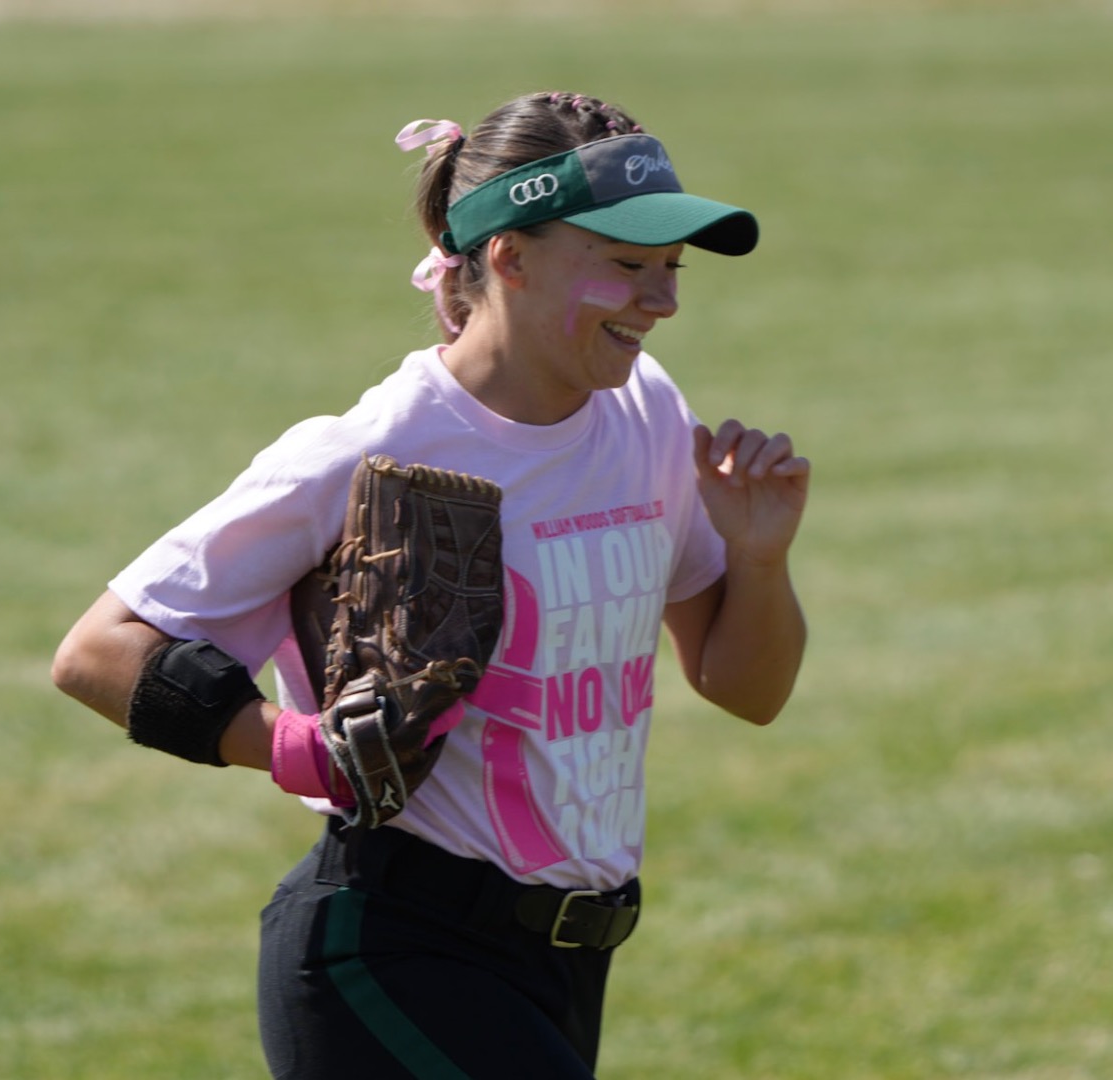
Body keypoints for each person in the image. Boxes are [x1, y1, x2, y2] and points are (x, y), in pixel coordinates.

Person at [51, 90, 808, 1079]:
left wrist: (757, 559)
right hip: (389, 947)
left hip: (567, 963)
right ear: (510, 255)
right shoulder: (375, 451)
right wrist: (298, 751)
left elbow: (748, 691)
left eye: (670, 269)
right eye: (626, 266)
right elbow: (98, 651)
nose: (662, 301)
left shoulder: (647, 417)